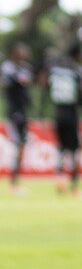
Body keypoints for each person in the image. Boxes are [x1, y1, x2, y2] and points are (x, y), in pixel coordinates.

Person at [41, 44, 82, 195]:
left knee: (61, 149)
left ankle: (59, 179)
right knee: (76, 150)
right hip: (71, 116)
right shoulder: (77, 71)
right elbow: (81, 97)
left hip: (57, 115)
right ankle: (74, 187)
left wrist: (41, 114)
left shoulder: (55, 71)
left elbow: (45, 91)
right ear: (78, 55)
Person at [2, 42, 34, 192]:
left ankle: (16, 180)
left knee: (21, 145)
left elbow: (27, 89)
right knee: (16, 144)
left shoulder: (26, 68)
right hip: (14, 112)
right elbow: (6, 86)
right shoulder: (8, 68)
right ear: (14, 51)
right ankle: (13, 182)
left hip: (23, 112)